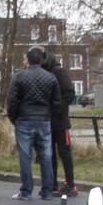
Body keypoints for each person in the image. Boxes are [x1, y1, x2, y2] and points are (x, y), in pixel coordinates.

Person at [6, 47, 61, 200]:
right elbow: (57, 102)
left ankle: (26, 190)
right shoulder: (50, 77)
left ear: (27, 60)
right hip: (44, 120)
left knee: (25, 156)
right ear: (42, 60)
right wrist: (50, 117)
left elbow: (11, 101)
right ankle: (47, 191)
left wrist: (14, 118)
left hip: (24, 120)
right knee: (46, 156)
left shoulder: (19, 77)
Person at [42, 55, 78, 196]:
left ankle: (70, 184)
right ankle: (53, 184)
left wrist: (56, 109)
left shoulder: (59, 72)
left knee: (64, 153)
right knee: (50, 154)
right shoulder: (45, 73)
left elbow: (69, 94)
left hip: (60, 121)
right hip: (48, 121)